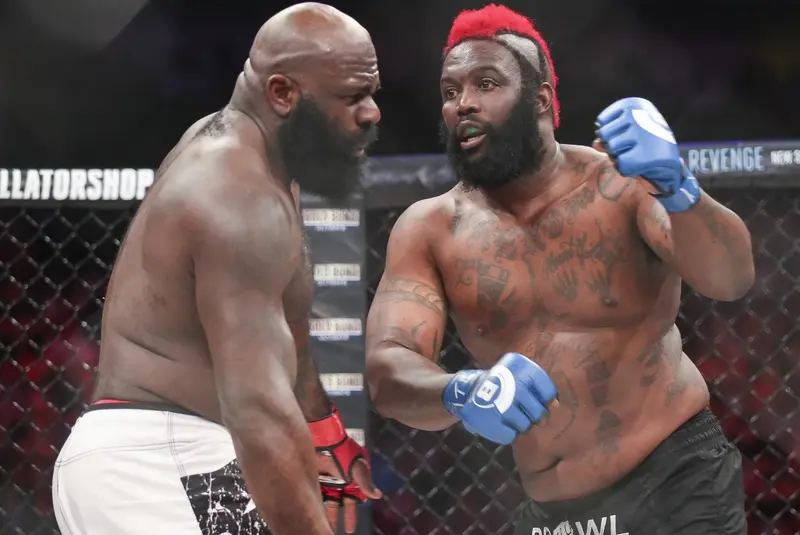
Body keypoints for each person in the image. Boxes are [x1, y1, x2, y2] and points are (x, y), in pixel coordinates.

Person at [365, 4, 753, 534]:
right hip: (552, 512)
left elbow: (731, 279)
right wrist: (461, 392)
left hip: (674, 483)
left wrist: (678, 188)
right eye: (450, 91)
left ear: (541, 100)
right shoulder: (431, 229)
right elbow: (388, 371)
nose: (463, 103)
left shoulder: (618, 184)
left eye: (485, 83)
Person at [51, 3, 382, 535]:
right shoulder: (238, 196)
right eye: (351, 96)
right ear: (282, 93)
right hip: (156, 462)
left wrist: (323, 428)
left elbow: (290, 333)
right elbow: (258, 412)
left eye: (372, 93)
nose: (371, 113)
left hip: (175, 457)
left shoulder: (265, 164)